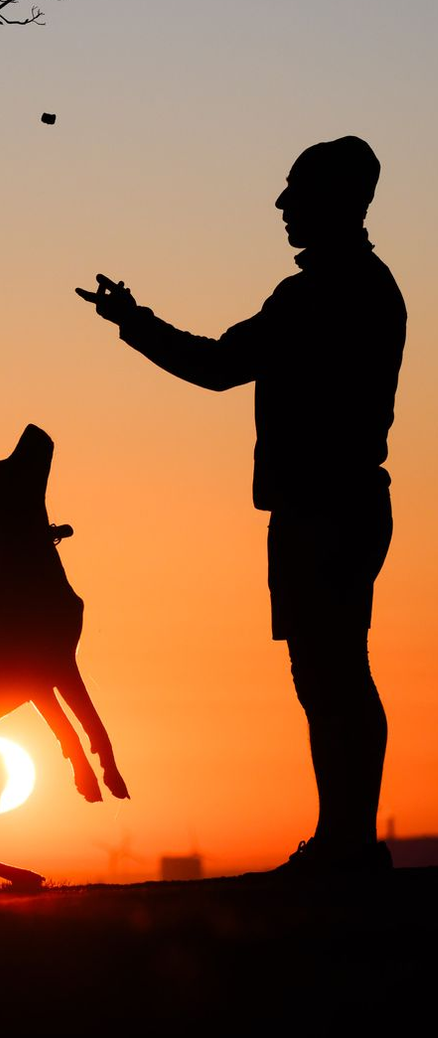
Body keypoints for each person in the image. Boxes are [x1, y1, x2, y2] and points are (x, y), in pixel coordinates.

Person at [76, 136, 406, 875]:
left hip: (324, 510)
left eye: (295, 191)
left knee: (332, 675)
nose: (282, 205)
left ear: (334, 200)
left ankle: (346, 844)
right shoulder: (364, 286)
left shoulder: (320, 294)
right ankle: (345, 839)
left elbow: (220, 365)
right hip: (341, 504)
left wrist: (133, 322)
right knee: (334, 672)